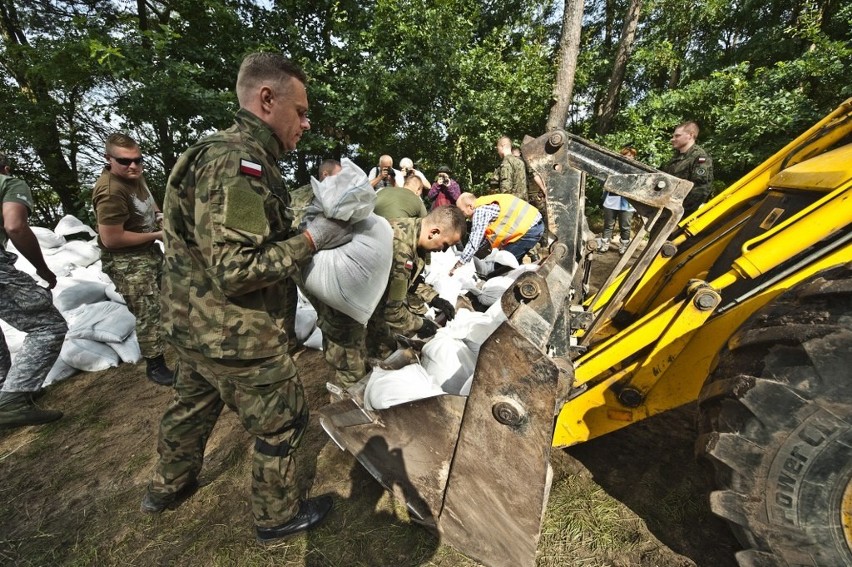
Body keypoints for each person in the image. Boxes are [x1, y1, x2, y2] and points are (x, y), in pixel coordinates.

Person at [141, 52, 353, 544]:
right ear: (266, 99)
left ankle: (166, 487)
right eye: (299, 110)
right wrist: (312, 240)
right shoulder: (241, 165)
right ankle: (276, 516)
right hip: (234, 333)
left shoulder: (215, 154)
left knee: (191, 405)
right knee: (285, 419)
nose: (306, 121)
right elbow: (237, 269)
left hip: (194, 325)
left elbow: (230, 242)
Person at [91, 133, 174, 386]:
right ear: (108, 159)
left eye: (138, 160)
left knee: (169, 297)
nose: (133, 166)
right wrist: (159, 234)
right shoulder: (110, 192)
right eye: (125, 161)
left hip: (147, 251)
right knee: (148, 309)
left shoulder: (135, 176)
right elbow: (111, 239)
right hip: (126, 261)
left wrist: (161, 219)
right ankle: (155, 365)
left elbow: (150, 204)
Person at [0, 153, 68, 428]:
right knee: (48, 327)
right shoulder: (8, 182)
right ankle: (13, 400)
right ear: (6, 166)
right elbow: (15, 225)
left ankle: (9, 391)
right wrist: (42, 268)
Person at [366, 206, 466, 360]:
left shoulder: (419, 235)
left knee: (385, 345)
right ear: (434, 232)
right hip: (343, 298)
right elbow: (391, 311)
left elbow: (411, 280)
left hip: (371, 291)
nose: (444, 251)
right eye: (445, 245)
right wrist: (420, 324)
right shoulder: (402, 249)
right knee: (351, 363)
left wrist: (434, 298)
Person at [451, 192, 544, 275]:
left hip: (530, 229)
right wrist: (475, 255)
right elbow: (483, 240)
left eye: (462, 212)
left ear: (470, 206)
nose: (463, 216)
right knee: (511, 263)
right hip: (535, 225)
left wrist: (460, 263)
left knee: (498, 267)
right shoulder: (486, 203)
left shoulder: (480, 210)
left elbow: (474, 242)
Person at [661, 121, 714, 216]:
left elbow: (701, 189)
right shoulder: (676, 157)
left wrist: (682, 211)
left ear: (690, 135)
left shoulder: (700, 158)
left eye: (677, 136)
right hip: (665, 210)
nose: (672, 139)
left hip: (679, 214)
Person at [598, 145, 638, 255]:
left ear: (634, 157)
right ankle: (605, 244)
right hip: (611, 201)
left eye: (630, 156)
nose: (628, 157)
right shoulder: (614, 167)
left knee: (625, 226)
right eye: (626, 155)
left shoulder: (637, 170)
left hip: (627, 203)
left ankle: (623, 246)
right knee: (608, 225)